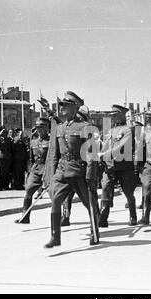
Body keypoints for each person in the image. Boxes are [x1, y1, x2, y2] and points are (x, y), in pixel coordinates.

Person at [44, 91, 100, 248]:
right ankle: (55, 237)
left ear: (75, 108)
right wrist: (52, 173)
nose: (62, 109)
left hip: (78, 170)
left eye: (67, 106)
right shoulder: (59, 128)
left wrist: (90, 175)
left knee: (89, 203)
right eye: (62, 105)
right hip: (62, 169)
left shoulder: (85, 127)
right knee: (55, 200)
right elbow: (54, 153)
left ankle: (94, 231)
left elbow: (91, 154)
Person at [99, 104, 138, 227]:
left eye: (116, 115)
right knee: (105, 189)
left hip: (124, 167)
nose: (114, 118)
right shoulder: (109, 131)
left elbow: (122, 146)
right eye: (112, 116)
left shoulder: (128, 130)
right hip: (110, 167)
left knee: (128, 192)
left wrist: (105, 154)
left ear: (122, 115)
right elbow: (105, 146)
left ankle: (133, 215)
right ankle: (103, 217)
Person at [14, 118, 50, 224]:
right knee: (28, 191)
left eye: (42, 127)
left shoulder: (51, 141)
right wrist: (29, 170)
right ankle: (25, 216)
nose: (39, 130)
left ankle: (63, 217)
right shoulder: (33, 141)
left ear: (47, 128)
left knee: (55, 195)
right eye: (38, 128)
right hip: (36, 169)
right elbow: (31, 158)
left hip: (47, 169)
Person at [0, 126, 13, 190]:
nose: (4, 132)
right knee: (1, 172)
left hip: (7, 157)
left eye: (5, 131)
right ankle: (1, 186)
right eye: (3, 131)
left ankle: (6, 186)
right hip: (0, 157)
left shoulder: (7, 139)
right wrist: (0, 134)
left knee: (6, 172)